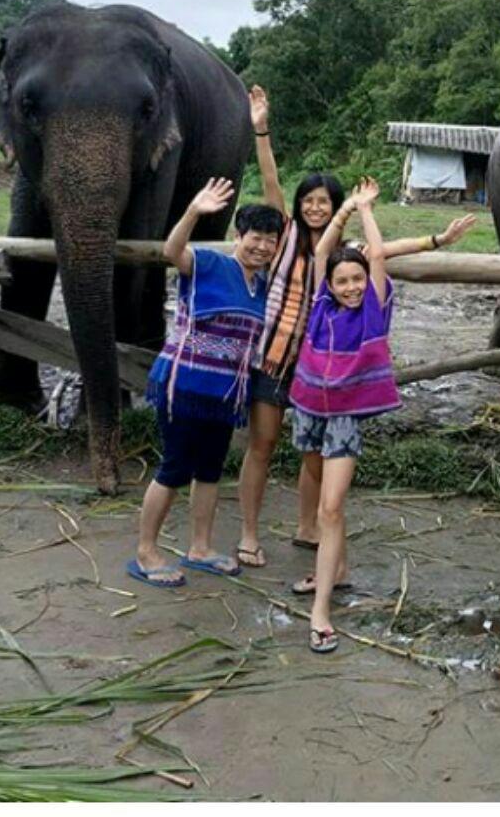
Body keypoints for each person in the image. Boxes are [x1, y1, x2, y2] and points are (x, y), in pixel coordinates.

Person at [236, 86, 474, 572]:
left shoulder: (343, 257)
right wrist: (261, 128)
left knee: (312, 454)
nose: (316, 208)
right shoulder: (282, 238)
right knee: (262, 446)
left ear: (334, 206)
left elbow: (385, 253)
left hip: (320, 372)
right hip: (276, 357)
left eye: (325, 202)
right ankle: (247, 534)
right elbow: (269, 179)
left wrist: (437, 238)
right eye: (310, 201)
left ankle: (309, 528)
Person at [128, 179, 285, 587]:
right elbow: (170, 252)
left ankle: (200, 546)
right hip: (183, 385)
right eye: (256, 238)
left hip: (225, 396)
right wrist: (195, 210)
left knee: (211, 470)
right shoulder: (208, 263)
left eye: (271, 241)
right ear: (239, 236)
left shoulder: (263, 286)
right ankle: (146, 551)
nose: (263, 247)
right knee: (175, 466)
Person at [289, 177, 400, 654]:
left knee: (329, 508)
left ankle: (321, 611)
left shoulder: (372, 309)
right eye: (343, 281)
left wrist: (367, 210)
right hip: (310, 407)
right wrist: (343, 212)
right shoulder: (320, 303)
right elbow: (320, 254)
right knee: (322, 499)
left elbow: (376, 256)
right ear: (329, 286)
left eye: (356, 279)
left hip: (345, 418)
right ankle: (340, 568)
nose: (352, 287)